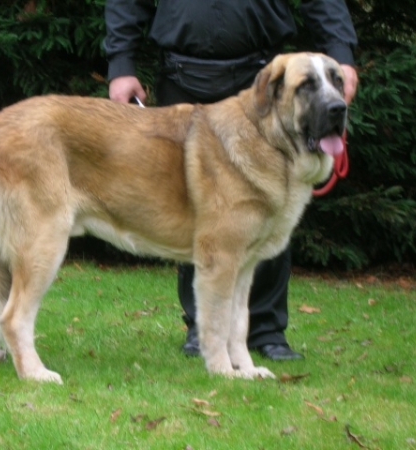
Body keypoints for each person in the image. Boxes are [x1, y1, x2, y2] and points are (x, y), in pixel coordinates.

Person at [103, 0, 358, 361]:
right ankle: (202, 329)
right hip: (182, 75)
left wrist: (340, 52)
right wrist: (121, 64)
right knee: (195, 212)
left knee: (271, 205)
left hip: (263, 80)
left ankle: (266, 330)